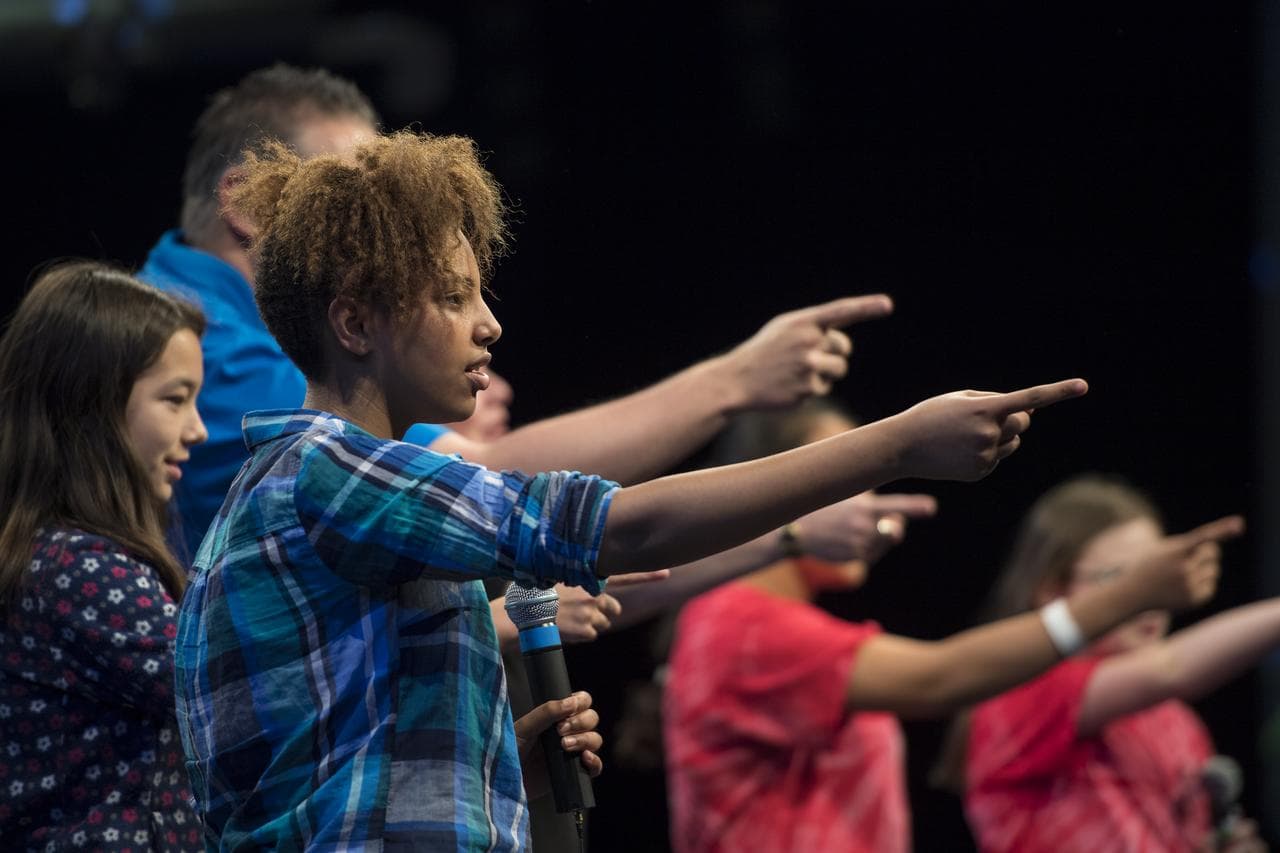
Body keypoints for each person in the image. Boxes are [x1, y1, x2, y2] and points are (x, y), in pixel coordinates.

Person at [174, 127, 1095, 850]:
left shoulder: (332, 494)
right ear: (353, 322)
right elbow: (623, 527)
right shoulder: (327, 475)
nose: (490, 324)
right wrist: (896, 444)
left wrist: (493, 761)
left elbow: (322, 760)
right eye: (454, 296)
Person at [141, 62, 894, 562]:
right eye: (348, 198)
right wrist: (739, 383)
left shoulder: (234, 335)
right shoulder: (212, 353)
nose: (384, 222)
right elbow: (527, 500)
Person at [661, 404, 1244, 853]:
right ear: (778, 492)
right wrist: (1133, 593)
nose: (870, 507)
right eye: (845, 485)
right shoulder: (743, 625)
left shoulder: (764, 623)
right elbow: (939, 678)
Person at [932, 476, 1271, 852]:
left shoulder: (1177, 719)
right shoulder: (1019, 690)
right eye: (1123, 579)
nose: (1153, 598)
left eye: (1156, 575)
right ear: (1053, 591)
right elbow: (1169, 669)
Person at [0, 262, 208, 851]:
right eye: (175, 400)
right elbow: (228, 685)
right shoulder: (76, 569)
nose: (197, 430)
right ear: (92, 405)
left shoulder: (60, 556)